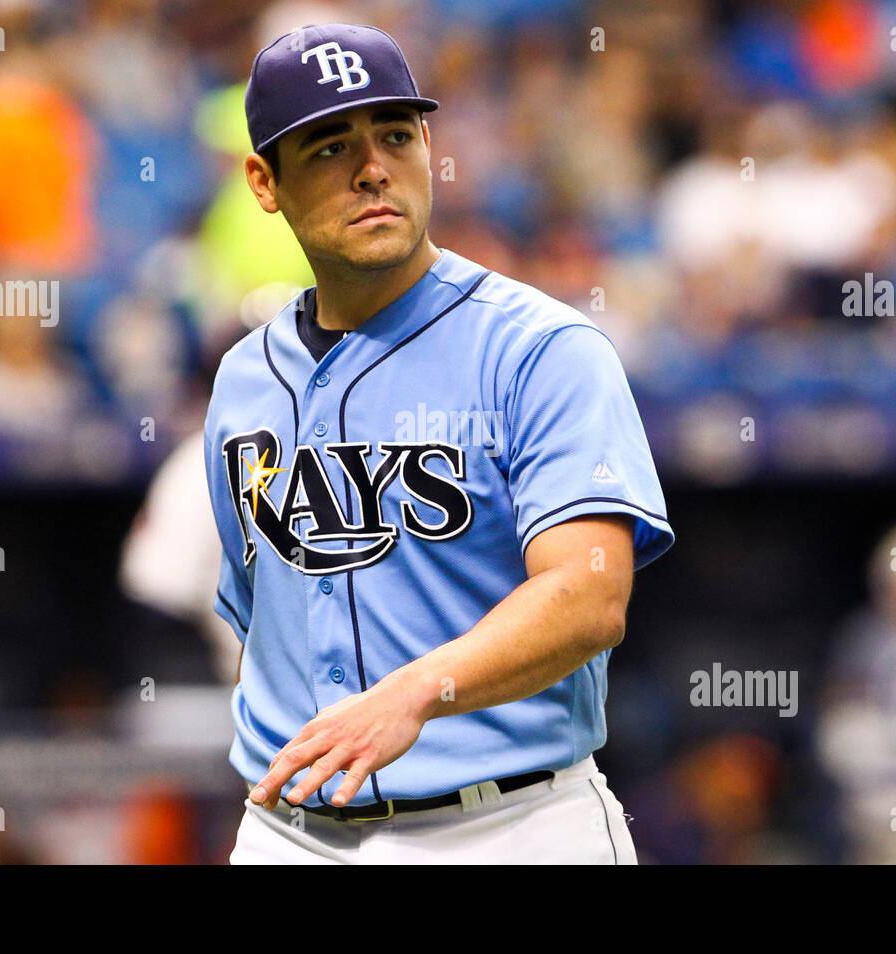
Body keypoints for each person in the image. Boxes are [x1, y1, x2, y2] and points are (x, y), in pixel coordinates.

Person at [203, 23, 673, 864]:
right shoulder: (243, 381)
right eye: (329, 146)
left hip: (510, 825)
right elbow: (260, 618)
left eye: (394, 135)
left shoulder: (541, 348)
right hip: (289, 835)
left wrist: (420, 690)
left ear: (427, 145)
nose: (372, 167)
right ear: (263, 182)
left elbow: (592, 594)